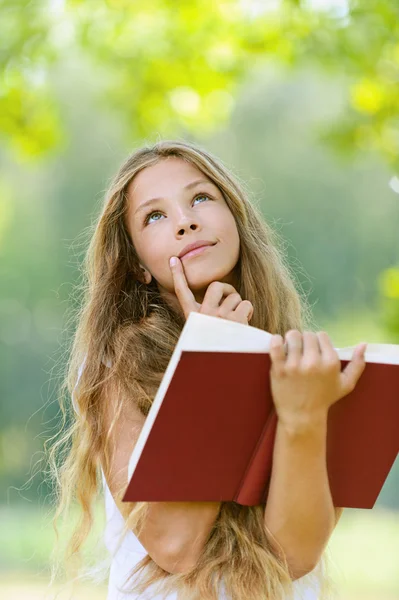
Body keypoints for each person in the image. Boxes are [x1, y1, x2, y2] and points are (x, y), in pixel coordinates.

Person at [51, 139, 367, 600]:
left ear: (235, 218)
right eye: (154, 216)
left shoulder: (301, 368)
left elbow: (293, 556)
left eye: (201, 197)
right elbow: (177, 545)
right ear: (137, 265)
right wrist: (215, 361)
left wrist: (305, 416)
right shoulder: (113, 365)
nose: (186, 221)